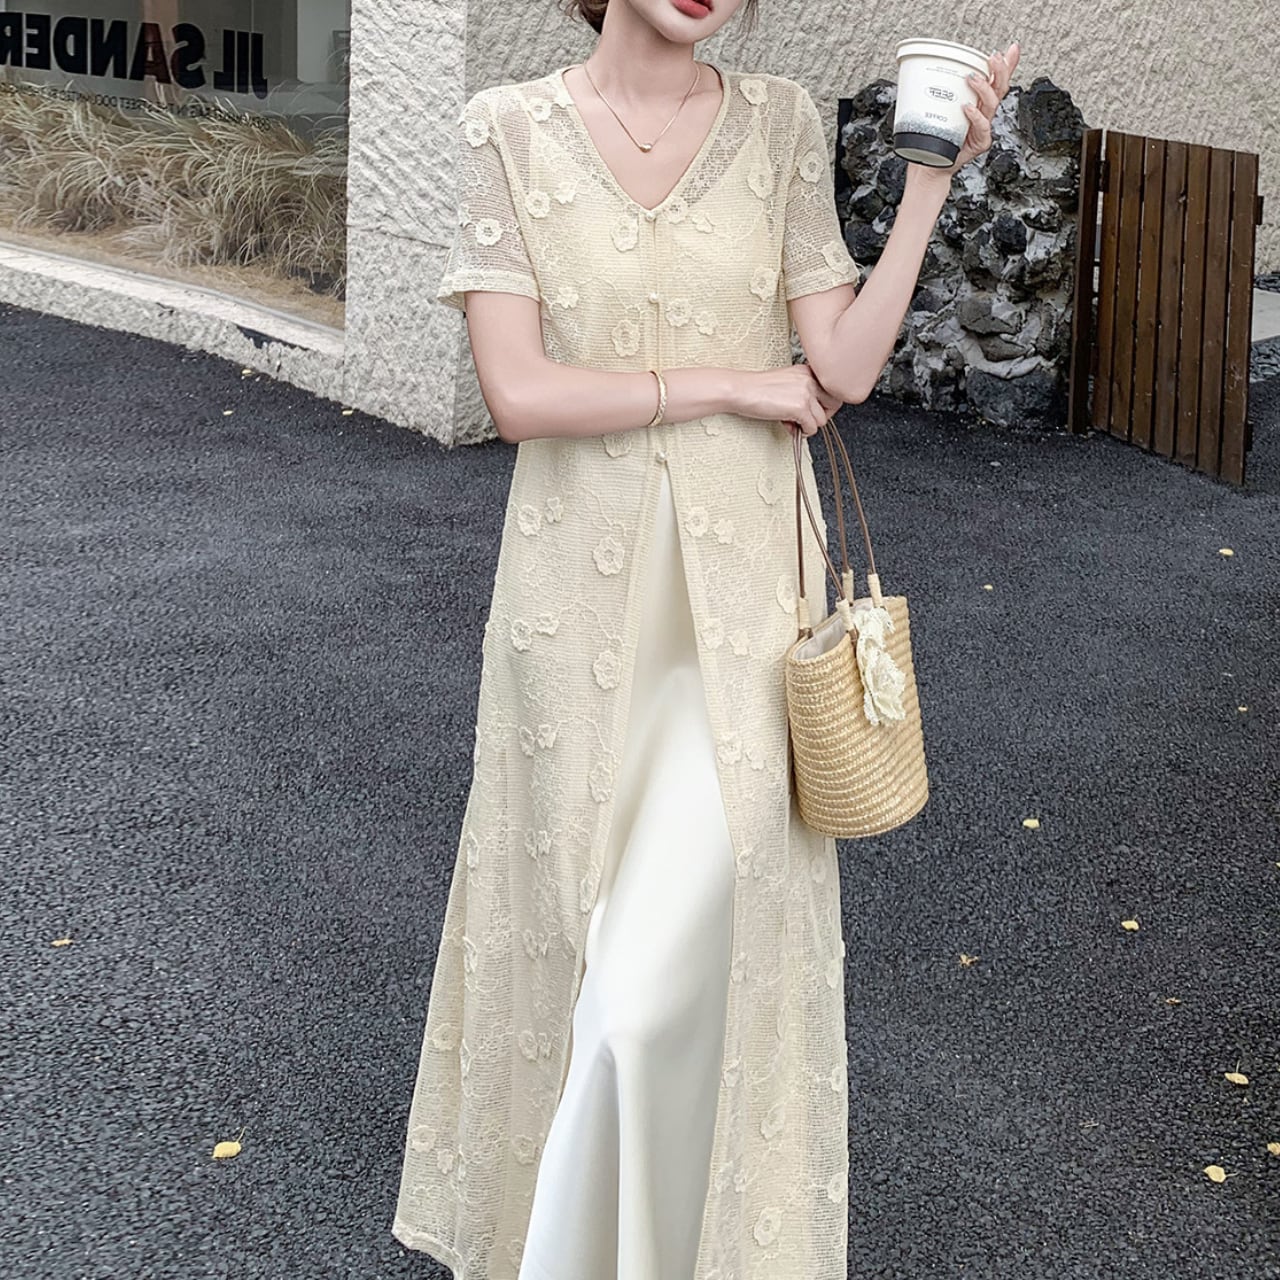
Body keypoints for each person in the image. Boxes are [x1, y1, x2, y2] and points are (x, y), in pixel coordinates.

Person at [392, 0, 1019, 1274]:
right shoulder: (507, 127)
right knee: (572, 953)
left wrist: (927, 182)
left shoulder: (778, 122)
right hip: (571, 609)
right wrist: (727, 382)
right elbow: (517, 391)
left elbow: (842, 362)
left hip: (744, 607)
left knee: (658, 990)